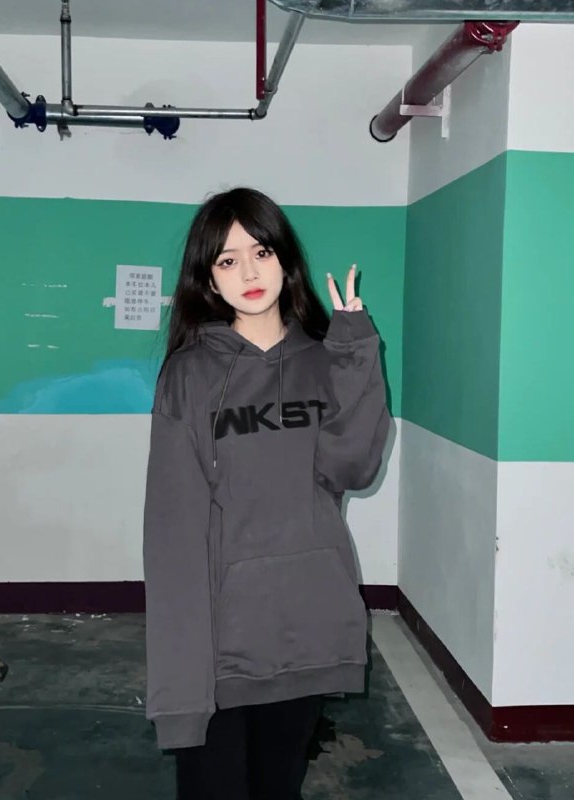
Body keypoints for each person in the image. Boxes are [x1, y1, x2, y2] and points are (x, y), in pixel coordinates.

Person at [143, 187, 390, 799]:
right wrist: (180, 668)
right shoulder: (189, 374)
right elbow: (173, 528)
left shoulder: (325, 359)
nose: (249, 273)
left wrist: (355, 353)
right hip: (225, 639)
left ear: (285, 259)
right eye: (227, 260)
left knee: (279, 787)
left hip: (308, 623)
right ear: (208, 279)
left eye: (261, 252)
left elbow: (354, 468)